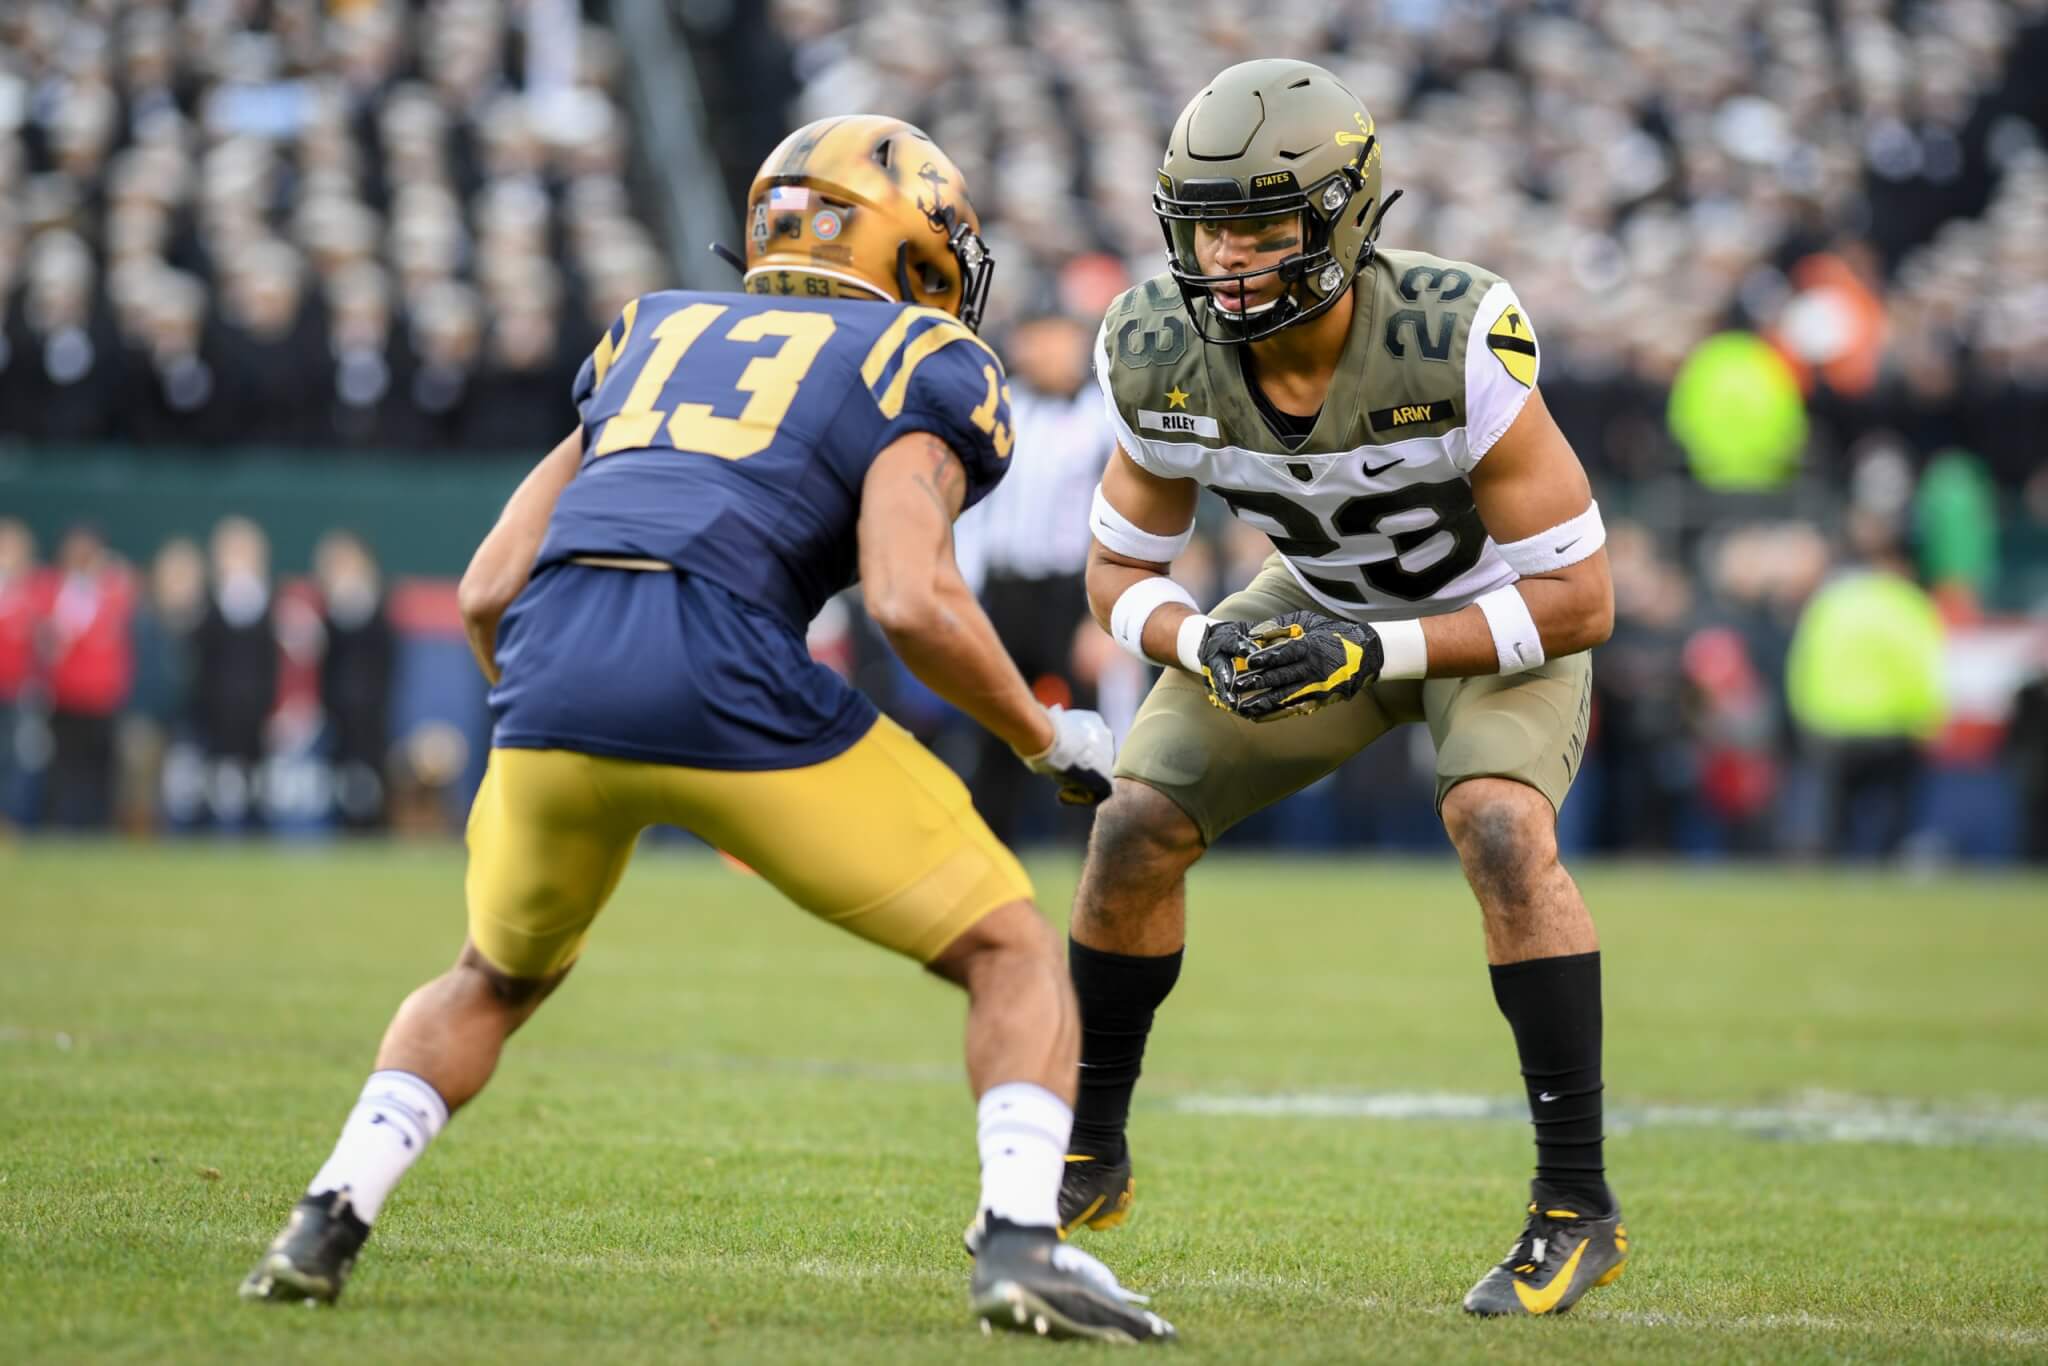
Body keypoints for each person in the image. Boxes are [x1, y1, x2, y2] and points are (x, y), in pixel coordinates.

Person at [241, 114, 1175, 1345]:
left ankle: (322, 1221)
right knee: (1009, 950)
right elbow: (909, 596)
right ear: (907, 243)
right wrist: (1041, 736)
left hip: (550, 673)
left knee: (490, 974)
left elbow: (484, 587)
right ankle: (1018, 1247)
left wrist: (549, 709)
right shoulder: (919, 357)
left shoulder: (653, 329)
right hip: (725, 664)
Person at [1057, 60, 1624, 1317]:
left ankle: (1574, 1202)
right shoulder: (1156, 344)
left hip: (1486, 612)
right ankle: (1089, 1141)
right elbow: (1115, 565)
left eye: (1262, 223)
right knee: (1134, 823)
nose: (1229, 254)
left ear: (1344, 220)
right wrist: (1199, 642)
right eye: (1207, 222)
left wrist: (1386, 654)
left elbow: (1580, 600)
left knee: (1496, 821)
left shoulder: (1452, 330)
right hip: (1313, 598)